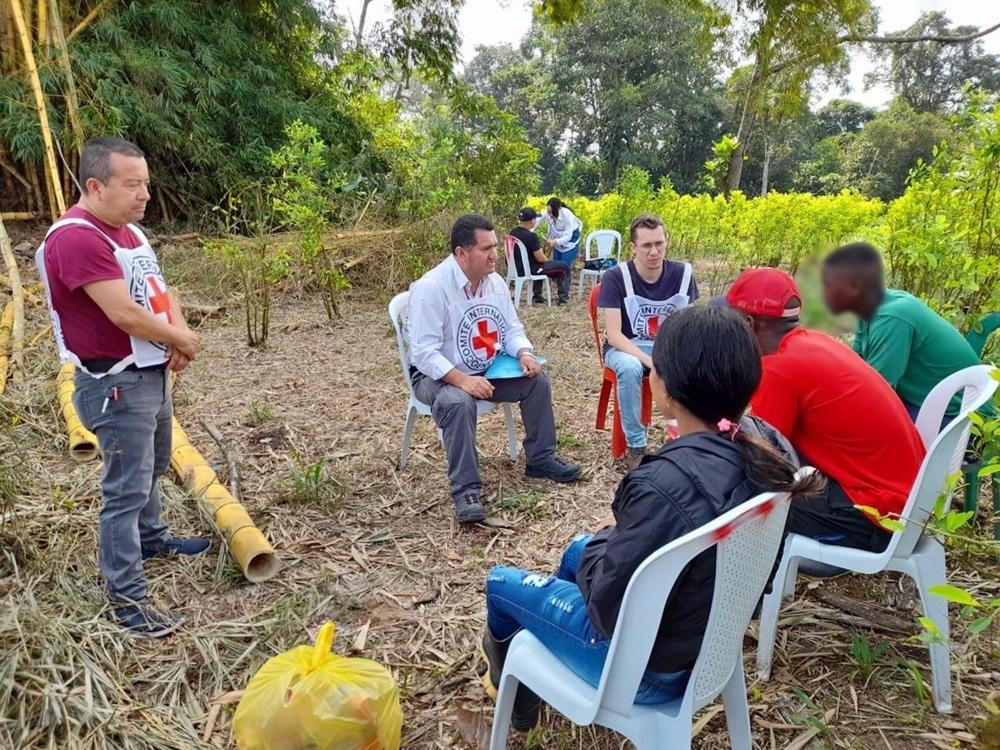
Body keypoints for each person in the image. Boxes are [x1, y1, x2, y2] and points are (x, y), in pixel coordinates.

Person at [479, 305, 823, 732]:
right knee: (575, 550)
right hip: (707, 640)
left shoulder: (666, 486)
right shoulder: (769, 446)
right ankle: (551, 661)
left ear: (666, 387)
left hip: (644, 673)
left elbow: (607, 607)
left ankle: (517, 699)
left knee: (500, 585)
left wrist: (611, 537)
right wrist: (610, 542)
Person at [35, 137, 206, 638]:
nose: (144, 195)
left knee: (151, 464)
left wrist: (178, 335)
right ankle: (128, 599)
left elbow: (158, 292)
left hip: (148, 371)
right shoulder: (76, 238)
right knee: (125, 490)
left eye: (146, 184)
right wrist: (179, 337)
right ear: (95, 185)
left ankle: (152, 539)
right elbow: (123, 313)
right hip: (114, 382)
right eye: (133, 185)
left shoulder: (129, 233)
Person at [722, 267, 925, 555]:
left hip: (877, 517)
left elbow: (762, 454)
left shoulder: (779, 368)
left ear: (748, 323)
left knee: (739, 503)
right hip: (908, 499)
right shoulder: (814, 341)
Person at [406, 214, 582, 524]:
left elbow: (512, 329)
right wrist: (462, 381)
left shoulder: (495, 283)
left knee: (536, 381)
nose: (495, 255)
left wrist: (525, 353)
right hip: (438, 374)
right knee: (457, 402)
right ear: (461, 253)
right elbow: (424, 354)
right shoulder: (431, 288)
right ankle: (466, 491)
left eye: (494, 247)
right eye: (486, 248)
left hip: (485, 367)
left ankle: (541, 460)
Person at [822, 241, 983, 422]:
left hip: (956, 415)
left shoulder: (892, 317)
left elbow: (876, 390)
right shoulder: (871, 306)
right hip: (925, 399)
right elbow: (856, 363)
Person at [598, 213, 698, 470]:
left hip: (667, 347)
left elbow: (689, 324)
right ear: (633, 247)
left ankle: (689, 439)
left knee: (700, 363)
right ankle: (636, 446)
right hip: (625, 348)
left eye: (659, 244)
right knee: (630, 368)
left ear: (666, 242)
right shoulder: (615, 276)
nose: (654, 252)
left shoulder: (684, 274)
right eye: (646, 246)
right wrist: (649, 360)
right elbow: (614, 334)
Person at [508, 207, 571, 304]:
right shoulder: (531, 236)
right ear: (532, 221)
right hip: (529, 270)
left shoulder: (512, 233)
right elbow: (541, 258)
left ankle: (537, 296)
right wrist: (550, 263)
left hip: (515, 269)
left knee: (540, 265)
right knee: (563, 266)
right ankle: (563, 299)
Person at [533, 197, 583, 269]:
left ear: (558, 209)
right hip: (557, 242)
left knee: (564, 267)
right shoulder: (547, 213)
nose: (549, 215)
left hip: (570, 242)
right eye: (548, 212)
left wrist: (555, 241)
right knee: (556, 268)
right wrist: (529, 233)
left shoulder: (567, 215)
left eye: (551, 212)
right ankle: (557, 280)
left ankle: (566, 280)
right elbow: (536, 221)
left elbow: (568, 236)